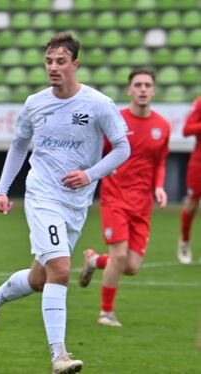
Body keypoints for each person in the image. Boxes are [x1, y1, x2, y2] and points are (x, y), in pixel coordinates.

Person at [0, 33, 130, 374]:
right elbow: (19, 146)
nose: (53, 68)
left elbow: (122, 149)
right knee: (60, 269)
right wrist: (3, 190)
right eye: (49, 62)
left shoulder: (98, 105)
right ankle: (59, 355)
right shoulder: (35, 103)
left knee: (40, 277)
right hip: (42, 195)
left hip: (76, 202)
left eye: (61, 62)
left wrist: (89, 175)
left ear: (75, 64)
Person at [78, 68, 170, 327]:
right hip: (114, 198)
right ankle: (106, 313)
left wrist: (159, 187)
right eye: (138, 85)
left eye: (147, 85)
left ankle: (94, 261)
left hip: (142, 204)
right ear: (129, 90)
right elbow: (99, 152)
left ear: (153, 91)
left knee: (131, 266)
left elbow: (160, 161)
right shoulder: (116, 120)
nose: (142, 89)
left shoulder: (162, 126)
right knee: (119, 257)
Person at [177, 96, 201, 264]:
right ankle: (184, 240)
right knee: (192, 206)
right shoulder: (200, 103)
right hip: (199, 164)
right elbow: (186, 130)